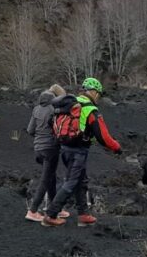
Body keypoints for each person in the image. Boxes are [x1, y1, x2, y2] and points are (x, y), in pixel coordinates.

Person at [41, 77, 121, 227]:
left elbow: (50, 123)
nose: (99, 97)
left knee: (81, 181)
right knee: (71, 182)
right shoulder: (90, 110)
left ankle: (83, 214)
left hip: (65, 149)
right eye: (99, 94)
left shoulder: (69, 104)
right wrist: (117, 147)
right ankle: (50, 215)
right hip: (78, 151)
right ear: (94, 92)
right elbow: (103, 136)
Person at [24, 84, 71, 222]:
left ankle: (55, 207)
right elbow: (59, 130)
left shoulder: (36, 109)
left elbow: (30, 130)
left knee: (51, 177)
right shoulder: (55, 110)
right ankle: (32, 211)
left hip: (38, 148)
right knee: (45, 180)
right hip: (50, 149)